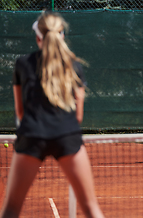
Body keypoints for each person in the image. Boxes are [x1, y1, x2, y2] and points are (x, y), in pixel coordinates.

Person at [0, 12, 104, 218]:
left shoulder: (22, 63)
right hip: (67, 135)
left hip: (31, 136)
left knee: (11, 210)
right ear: (62, 35)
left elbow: (20, 112)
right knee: (91, 208)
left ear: (38, 37)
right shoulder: (75, 66)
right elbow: (79, 116)